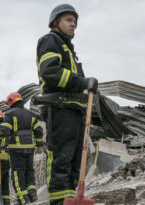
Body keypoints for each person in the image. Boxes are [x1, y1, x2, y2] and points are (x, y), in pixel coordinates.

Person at [36, 4, 98, 204]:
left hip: (74, 111)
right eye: (68, 20)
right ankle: (57, 201)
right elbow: (50, 72)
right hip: (60, 110)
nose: (73, 25)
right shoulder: (50, 41)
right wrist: (81, 82)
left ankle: (71, 199)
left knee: (75, 164)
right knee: (61, 161)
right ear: (56, 22)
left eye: (75, 21)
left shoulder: (68, 49)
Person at [0, 92, 44, 205]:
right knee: (29, 172)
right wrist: (39, 145)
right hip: (29, 149)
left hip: (16, 149)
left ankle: (23, 200)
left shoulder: (9, 114)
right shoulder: (31, 114)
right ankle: (33, 197)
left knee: (18, 175)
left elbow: (4, 130)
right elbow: (38, 130)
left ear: (10, 102)